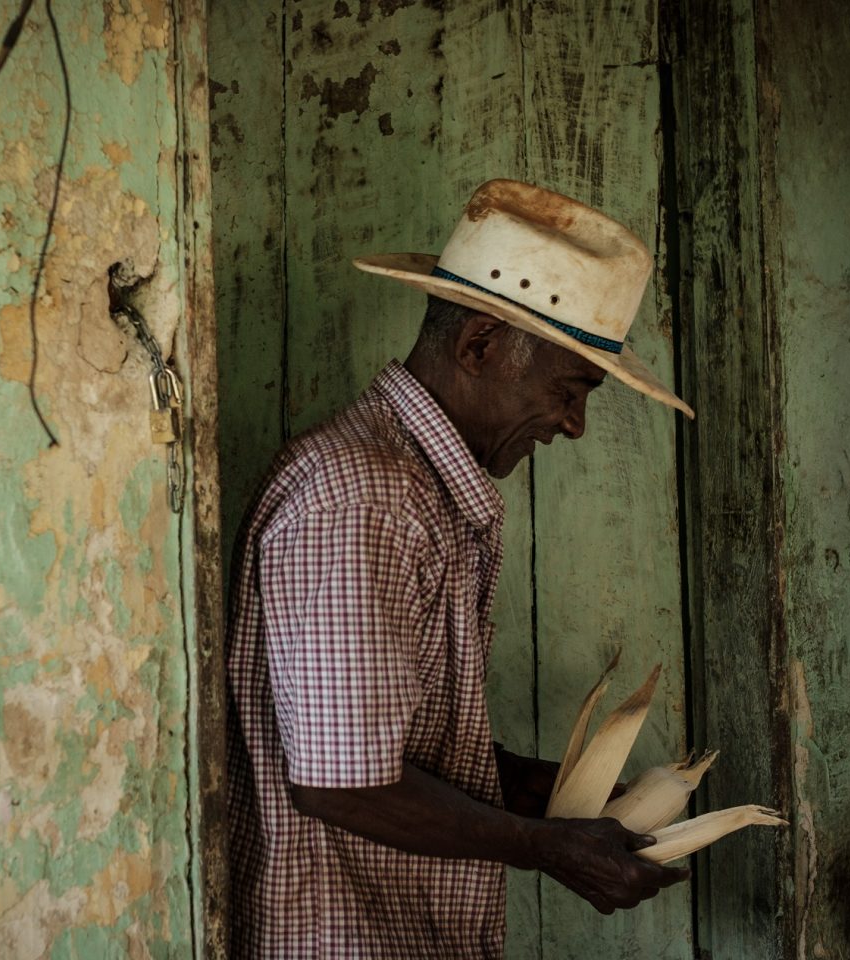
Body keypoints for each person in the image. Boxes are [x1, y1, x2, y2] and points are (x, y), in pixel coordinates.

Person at [224, 179, 697, 958]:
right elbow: (342, 783)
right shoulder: (366, 497)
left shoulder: (416, 490)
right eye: (569, 390)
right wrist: (548, 849)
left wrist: (559, 801)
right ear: (479, 346)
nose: (574, 426)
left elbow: (404, 748)